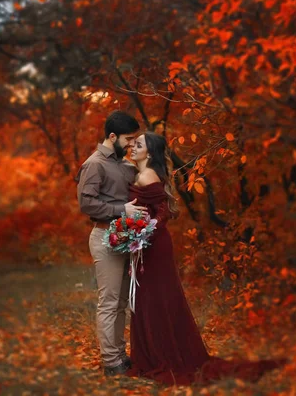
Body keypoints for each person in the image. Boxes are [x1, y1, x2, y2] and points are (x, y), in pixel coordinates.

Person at [126, 131, 285, 386]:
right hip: (148, 243)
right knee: (151, 298)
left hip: (154, 246)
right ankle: (154, 354)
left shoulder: (147, 175)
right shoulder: (141, 173)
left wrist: (142, 236)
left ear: (151, 152)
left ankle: (160, 355)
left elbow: (163, 212)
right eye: (133, 143)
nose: (133, 147)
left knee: (155, 299)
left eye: (139, 144)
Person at [75, 111, 149, 376]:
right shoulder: (94, 164)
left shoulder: (123, 164)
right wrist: (122, 210)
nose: (131, 144)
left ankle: (119, 355)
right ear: (112, 136)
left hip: (125, 239)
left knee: (121, 303)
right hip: (104, 237)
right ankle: (110, 362)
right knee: (108, 302)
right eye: (128, 139)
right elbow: (86, 203)